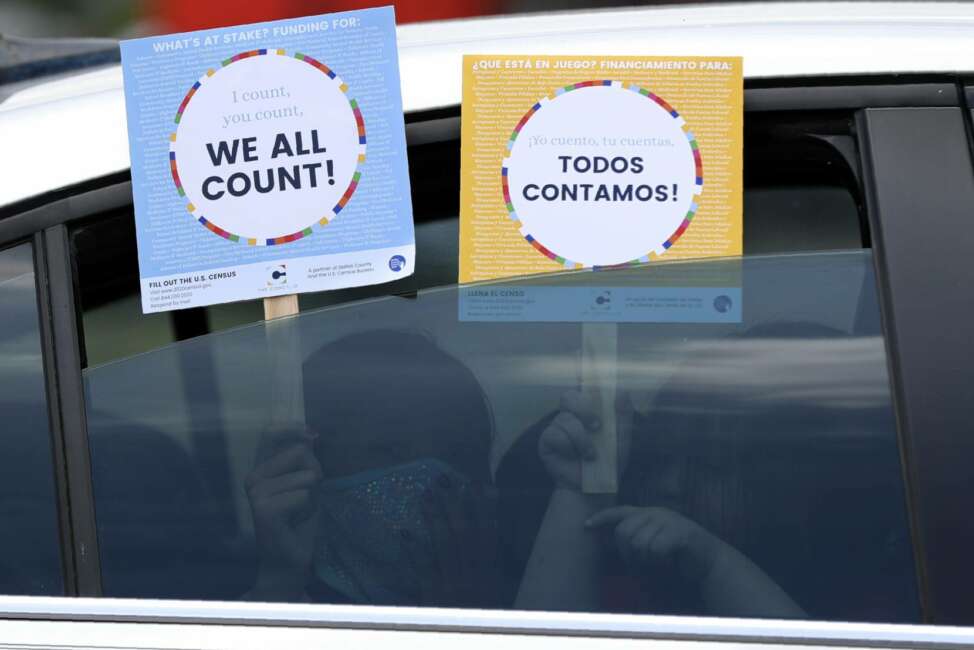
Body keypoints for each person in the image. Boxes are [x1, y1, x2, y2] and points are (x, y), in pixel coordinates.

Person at [243, 330, 500, 606]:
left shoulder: (534, 609)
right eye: (391, 451)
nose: (429, 480)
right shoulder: (225, 627)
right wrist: (280, 582)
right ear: (309, 468)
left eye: (456, 455)